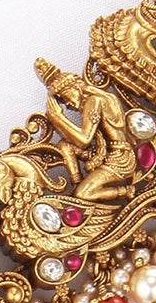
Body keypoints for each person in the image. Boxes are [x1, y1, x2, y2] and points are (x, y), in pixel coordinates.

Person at [36, 58, 138, 202]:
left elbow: (84, 140)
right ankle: (77, 183)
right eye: (64, 101)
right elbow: (77, 140)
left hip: (119, 158)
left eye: (65, 97)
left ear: (75, 87)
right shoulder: (95, 100)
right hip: (102, 152)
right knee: (64, 145)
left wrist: (58, 118)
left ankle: (125, 191)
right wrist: (56, 120)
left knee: (82, 194)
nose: (68, 104)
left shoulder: (94, 101)